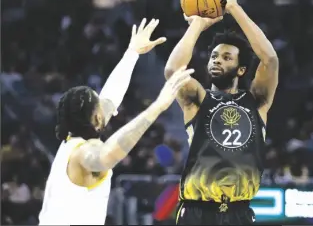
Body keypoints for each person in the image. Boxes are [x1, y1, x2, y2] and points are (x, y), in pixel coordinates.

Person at [38, 18, 195, 225]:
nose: (107, 105)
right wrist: (158, 106)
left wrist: (132, 54)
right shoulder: (82, 152)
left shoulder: (70, 143)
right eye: (99, 103)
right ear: (96, 118)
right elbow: (106, 155)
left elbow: (111, 98)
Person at [164, 0, 279, 225]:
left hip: (239, 211)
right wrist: (197, 23)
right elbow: (173, 71)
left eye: (227, 57)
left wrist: (234, 8)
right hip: (197, 211)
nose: (217, 60)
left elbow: (270, 60)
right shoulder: (197, 99)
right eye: (214, 56)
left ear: (241, 70)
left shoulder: (257, 101)